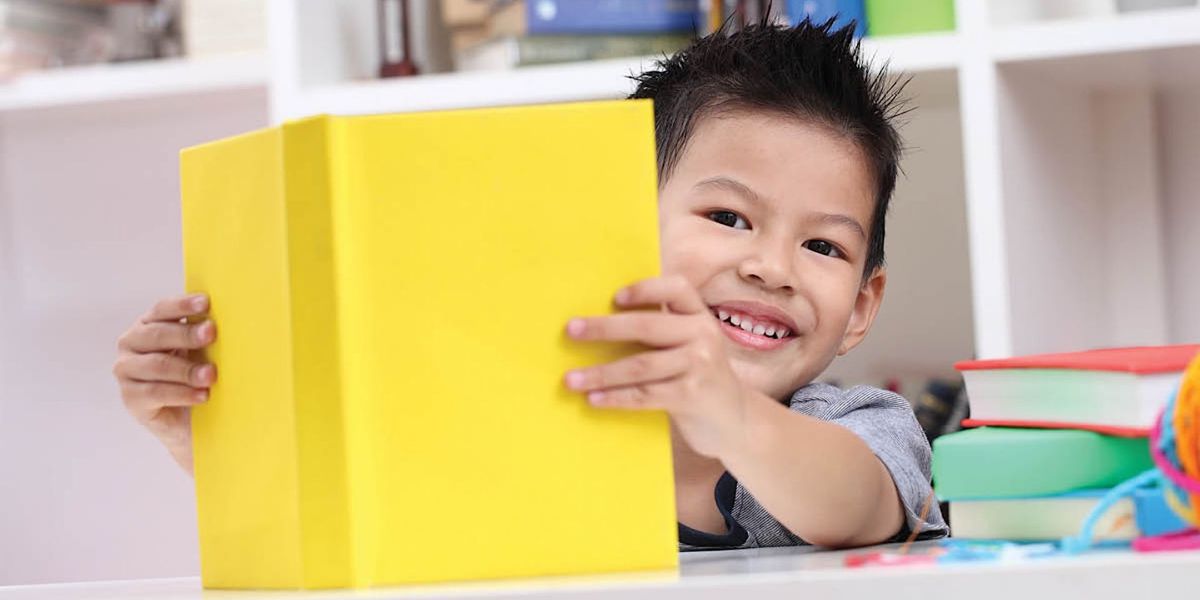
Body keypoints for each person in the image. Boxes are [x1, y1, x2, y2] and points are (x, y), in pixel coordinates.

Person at [113, 19, 948, 550]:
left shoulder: (855, 428)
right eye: (728, 218)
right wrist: (213, 444)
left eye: (823, 248)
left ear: (860, 308)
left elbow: (854, 506)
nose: (771, 266)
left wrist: (727, 415)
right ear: (619, 217)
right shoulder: (530, 413)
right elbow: (390, 525)